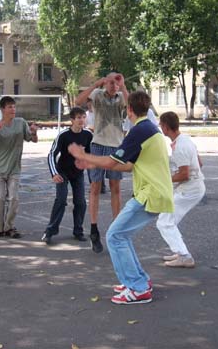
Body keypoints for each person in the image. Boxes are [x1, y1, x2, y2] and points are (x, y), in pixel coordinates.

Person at [69, 91, 173, 305]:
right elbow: (129, 165)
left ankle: (138, 288)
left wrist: (83, 155)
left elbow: (111, 162)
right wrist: (91, 164)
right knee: (121, 236)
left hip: (150, 194)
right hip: (154, 193)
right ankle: (139, 281)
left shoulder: (140, 130)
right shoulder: (148, 129)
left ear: (129, 110)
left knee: (115, 236)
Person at [75, 72, 128, 253]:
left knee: (116, 188)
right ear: (106, 83)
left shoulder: (121, 96)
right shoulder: (97, 95)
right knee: (95, 188)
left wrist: (124, 85)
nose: (114, 85)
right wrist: (96, 84)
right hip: (98, 145)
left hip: (116, 147)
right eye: (111, 82)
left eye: (116, 83)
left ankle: (116, 229)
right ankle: (94, 228)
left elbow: (131, 108)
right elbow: (78, 101)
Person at [0, 96, 38, 238]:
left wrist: (34, 132)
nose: (13, 109)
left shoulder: (20, 123)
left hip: (14, 169)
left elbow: (33, 140)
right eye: (9, 107)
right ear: (3, 109)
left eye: (14, 106)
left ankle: (9, 227)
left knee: (14, 198)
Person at [156, 111, 205, 268]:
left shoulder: (180, 146)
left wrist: (165, 179)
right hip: (193, 187)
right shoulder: (185, 140)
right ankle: (179, 252)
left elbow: (184, 174)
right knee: (170, 220)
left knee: (164, 222)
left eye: (160, 125)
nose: (160, 127)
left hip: (189, 190)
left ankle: (184, 256)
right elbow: (199, 163)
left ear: (165, 126)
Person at [42, 107, 93, 244]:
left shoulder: (88, 135)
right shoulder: (64, 135)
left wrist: (92, 178)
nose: (81, 120)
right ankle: (50, 231)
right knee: (61, 200)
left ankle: (78, 231)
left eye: (83, 117)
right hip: (62, 172)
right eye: (78, 118)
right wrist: (54, 173)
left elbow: (90, 156)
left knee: (81, 202)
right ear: (72, 120)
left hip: (78, 173)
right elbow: (51, 154)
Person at [85, 98, 107, 194]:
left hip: (99, 141)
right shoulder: (85, 115)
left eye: (92, 104)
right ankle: (93, 185)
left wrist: (93, 129)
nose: (90, 106)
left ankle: (101, 185)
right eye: (88, 104)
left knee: (99, 165)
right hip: (88, 142)